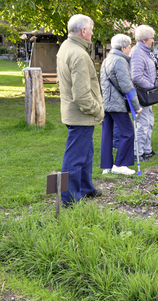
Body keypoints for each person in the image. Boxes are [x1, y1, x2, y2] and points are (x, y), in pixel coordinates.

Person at [57, 14, 104, 206]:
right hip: (81, 115)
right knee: (75, 158)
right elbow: (82, 95)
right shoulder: (79, 54)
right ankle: (68, 199)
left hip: (75, 113)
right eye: (91, 29)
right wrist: (98, 111)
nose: (93, 33)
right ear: (83, 31)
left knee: (85, 153)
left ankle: (85, 188)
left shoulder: (67, 47)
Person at [100, 34, 143, 175]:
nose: (131, 50)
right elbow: (126, 86)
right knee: (128, 132)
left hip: (107, 101)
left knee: (107, 133)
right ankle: (120, 165)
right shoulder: (120, 61)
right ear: (123, 48)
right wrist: (137, 106)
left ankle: (107, 166)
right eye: (130, 47)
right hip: (116, 103)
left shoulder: (107, 59)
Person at [130, 25, 158, 161]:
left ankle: (147, 150)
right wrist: (150, 87)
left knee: (149, 121)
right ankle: (138, 153)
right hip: (143, 94)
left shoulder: (146, 51)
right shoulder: (137, 52)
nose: (153, 41)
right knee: (143, 124)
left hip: (148, 94)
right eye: (152, 38)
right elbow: (136, 76)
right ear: (144, 39)